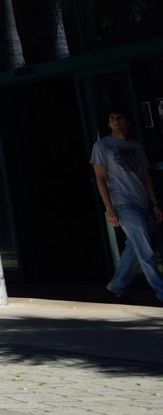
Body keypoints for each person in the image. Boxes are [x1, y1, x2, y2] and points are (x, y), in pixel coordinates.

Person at [93, 108, 163, 303]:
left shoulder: (137, 146)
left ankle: (117, 284)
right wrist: (109, 207)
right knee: (145, 249)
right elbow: (99, 178)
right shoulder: (102, 146)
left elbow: (146, 176)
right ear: (108, 123)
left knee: (134, 246)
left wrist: (155, 204)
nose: (115, 121)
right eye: (111, 118)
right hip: (123, 204)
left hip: (143, 203)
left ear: (127, 122)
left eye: (119, 118)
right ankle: (161, 290)